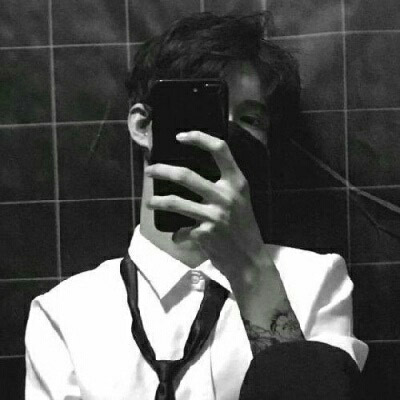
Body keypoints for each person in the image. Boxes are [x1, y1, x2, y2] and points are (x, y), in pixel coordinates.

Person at [25, 12, 368, 400]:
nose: (223, 138)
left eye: (250, 118)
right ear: (143, 126)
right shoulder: (64, 313)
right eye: (206, 112)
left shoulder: (315, 281)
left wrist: (252, 273)